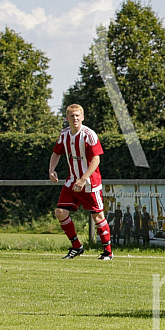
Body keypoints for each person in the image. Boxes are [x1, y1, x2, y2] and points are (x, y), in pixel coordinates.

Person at [49, 104, 113, 260]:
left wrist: (84, 179)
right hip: (72, 181)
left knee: (97, 217)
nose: (75, 118)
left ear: (82, 117)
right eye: (72, 116)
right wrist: (51, 170)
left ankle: (108, 252)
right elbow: (56, 153)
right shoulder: (64, 134)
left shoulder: (89, 134)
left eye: (77, 115)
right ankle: (76, 247)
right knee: (60, 212)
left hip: (90, 183)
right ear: (67, 118)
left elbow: (96, 159)